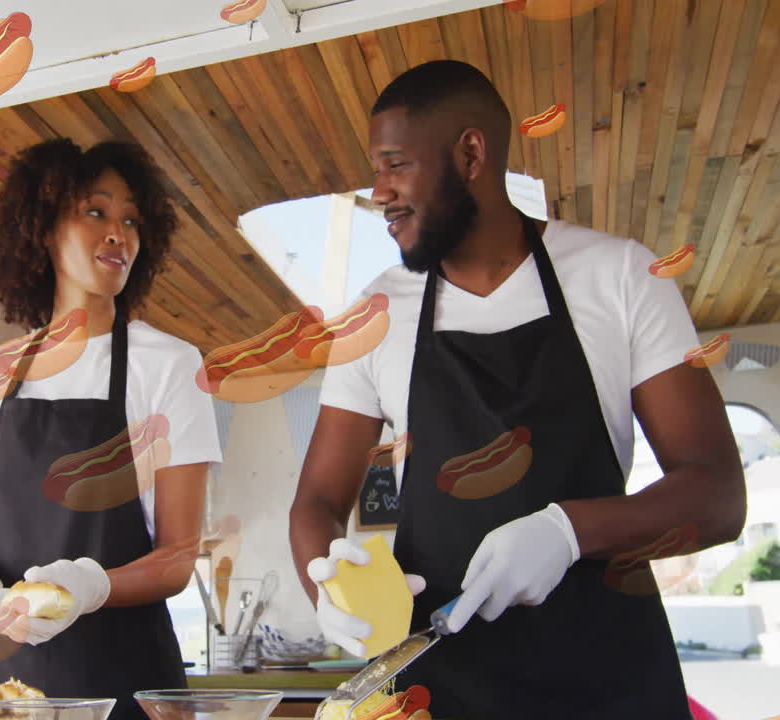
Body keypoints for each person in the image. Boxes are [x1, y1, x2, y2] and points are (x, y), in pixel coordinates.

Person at [290, 60, 746, 718]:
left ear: (470, 153)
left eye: (395, 164)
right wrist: (326, 586)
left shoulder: (620, 276)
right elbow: (316, 500)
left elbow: (719, 495)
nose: (378, 191)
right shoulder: (376, 314)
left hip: (611, 675)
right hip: (439, 682)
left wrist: (569, 531)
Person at [0, 138, 221, 719]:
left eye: (132, 219)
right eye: (96, 211)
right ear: (42, 226)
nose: (120, 233)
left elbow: (178, 556)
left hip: (126, 677)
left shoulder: (168, 364)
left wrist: (88, 587)